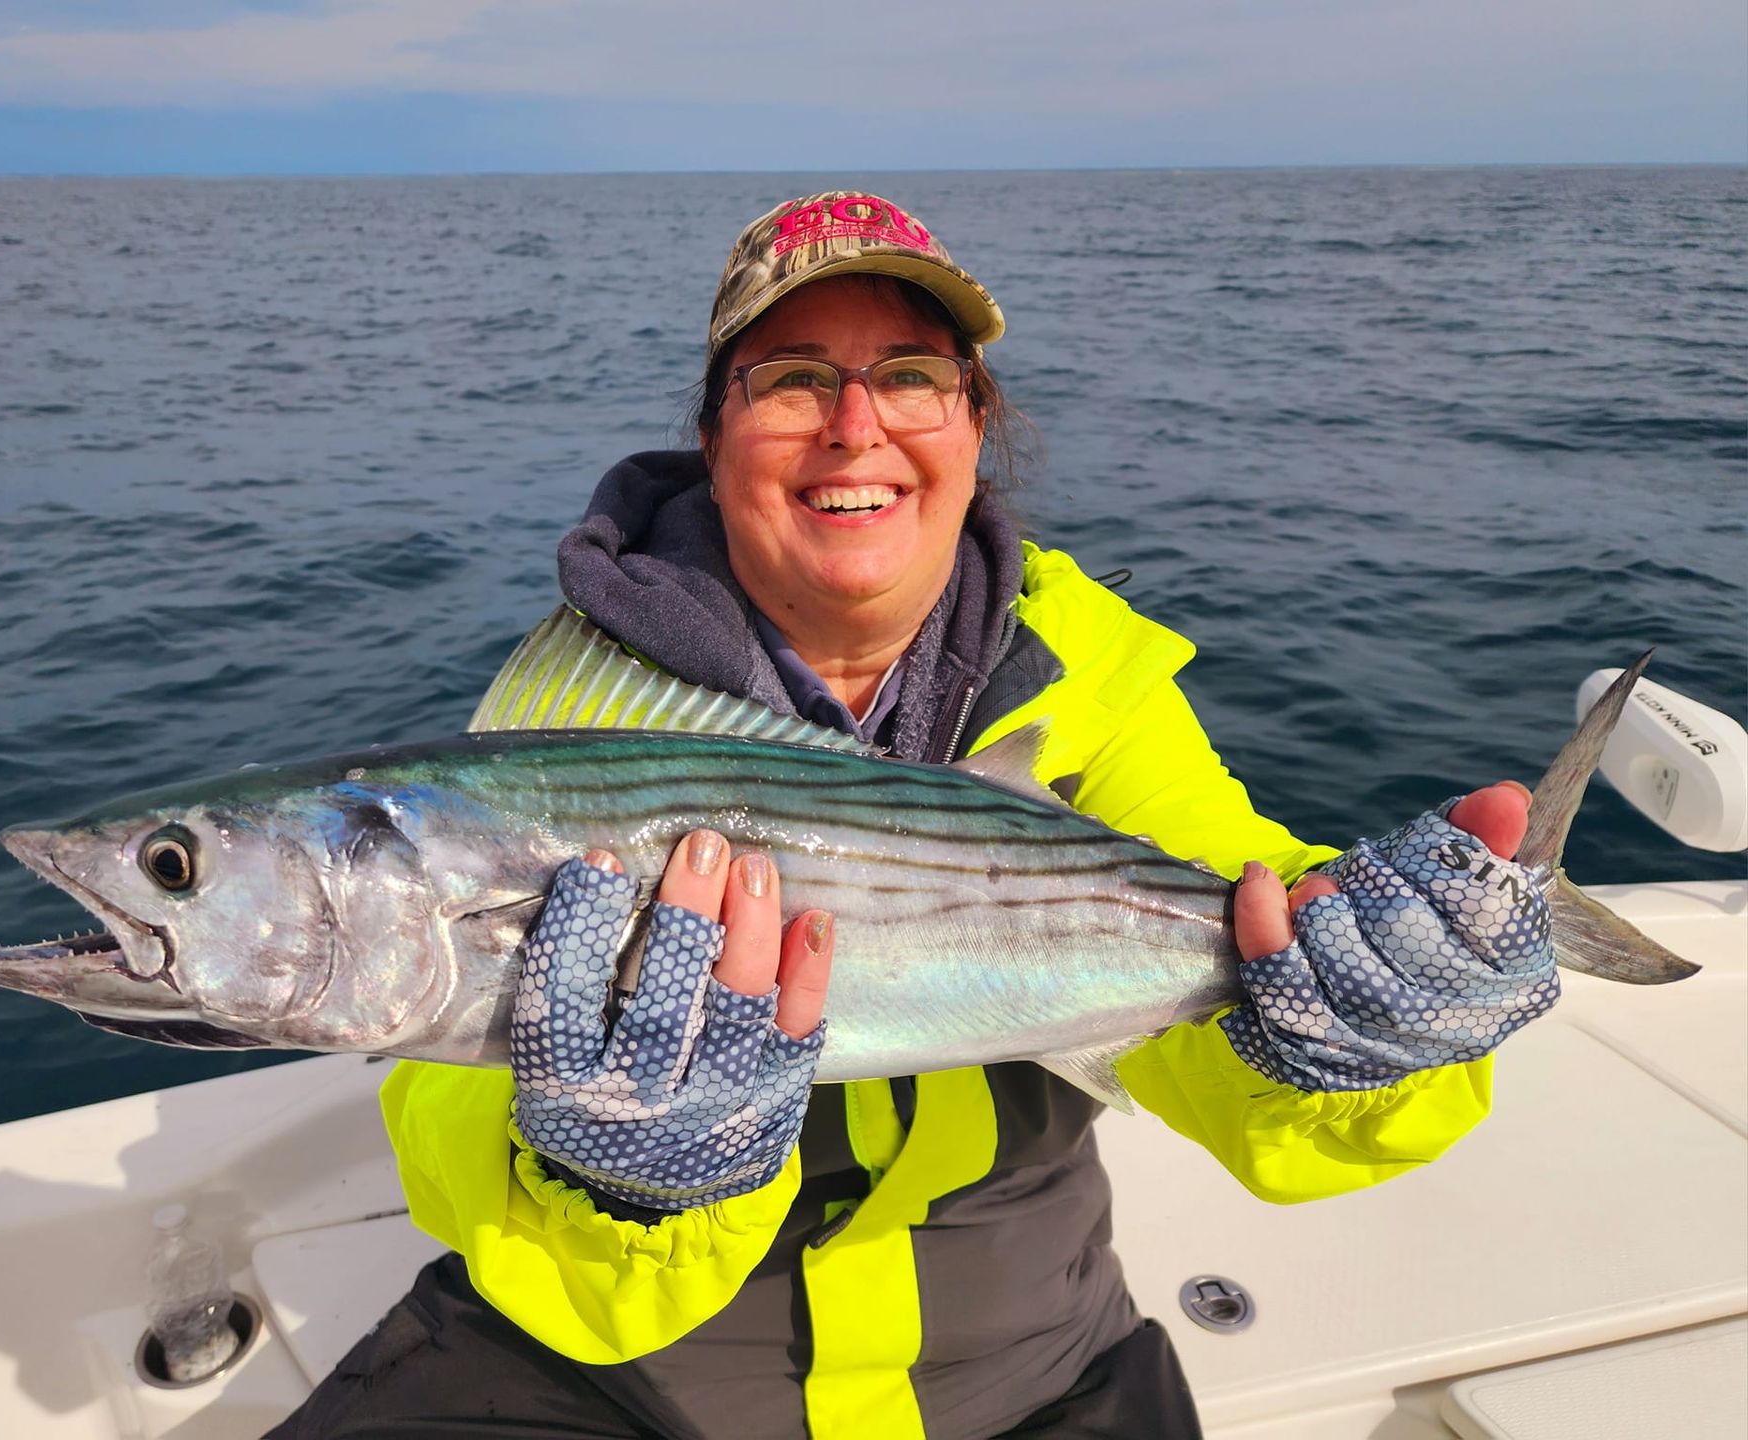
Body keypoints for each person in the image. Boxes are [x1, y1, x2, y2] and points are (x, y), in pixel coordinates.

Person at [269, 191, 1557, 1440]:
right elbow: (442, 1103)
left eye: (911, 374)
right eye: (788, 380)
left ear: (972, 425)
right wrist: (610, 1181)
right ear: (714, 439)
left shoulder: (1089, 681)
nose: (853, 425)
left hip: (1032, 1363)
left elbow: (1250, 957)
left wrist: (1379, 1030)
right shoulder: (560, 713)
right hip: (614, 1372)